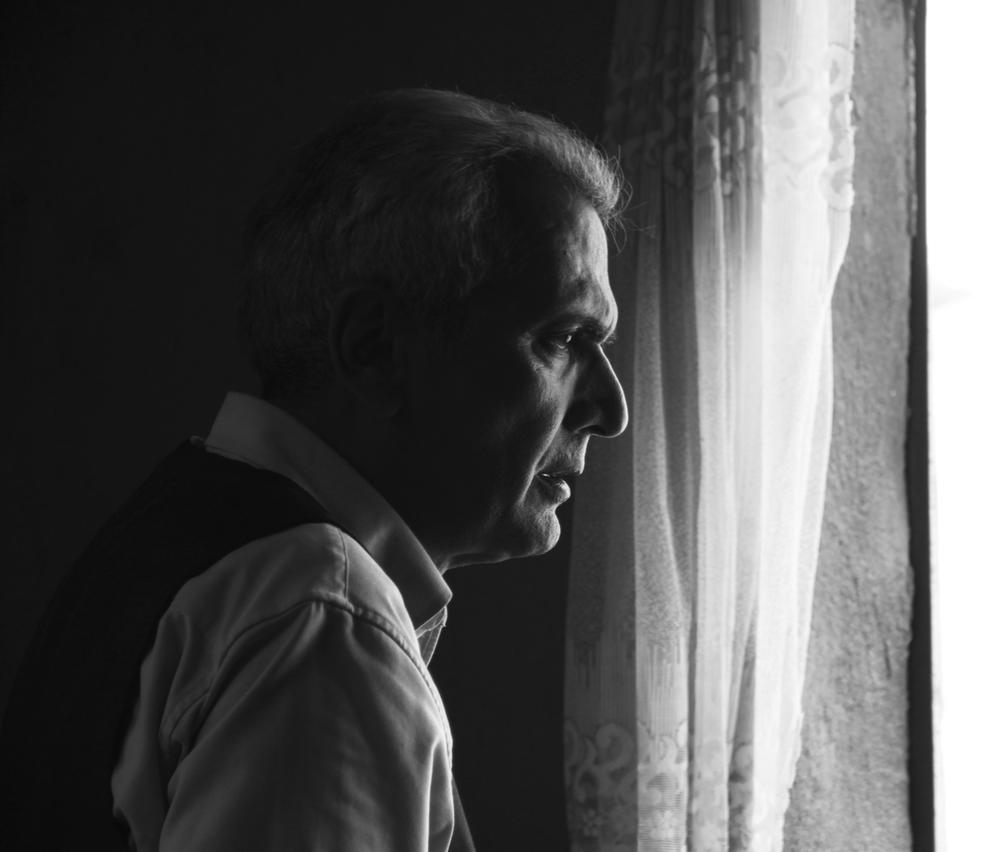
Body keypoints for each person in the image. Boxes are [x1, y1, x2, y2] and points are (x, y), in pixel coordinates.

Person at [0, 88, 628, 851]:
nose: (611, 408)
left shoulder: (176, 541)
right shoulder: (321, 615)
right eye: (563, 337)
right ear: (374, 348)